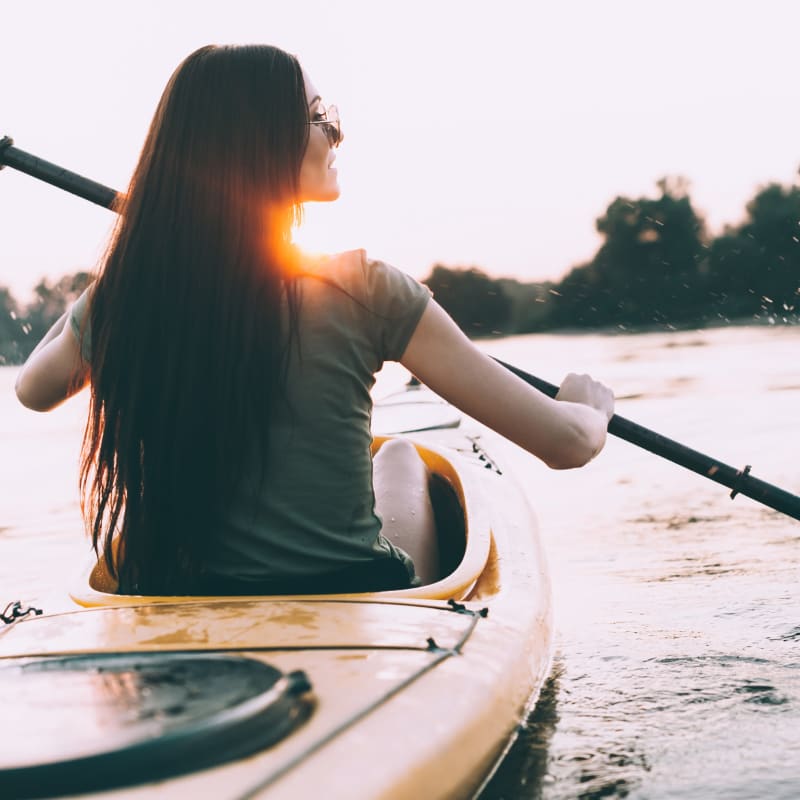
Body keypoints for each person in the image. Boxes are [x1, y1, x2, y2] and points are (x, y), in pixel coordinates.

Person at [14, 44, 614, 596]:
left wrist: (126, 267)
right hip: (348, 590)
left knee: (399, 456)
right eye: (319, 114)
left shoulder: (122, 302)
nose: (337, 132)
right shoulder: (366, 292)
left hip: (177, 593)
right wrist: (586, 410)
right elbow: (564, 446)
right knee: (402, 456)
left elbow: (34, 389)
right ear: (262, 144)